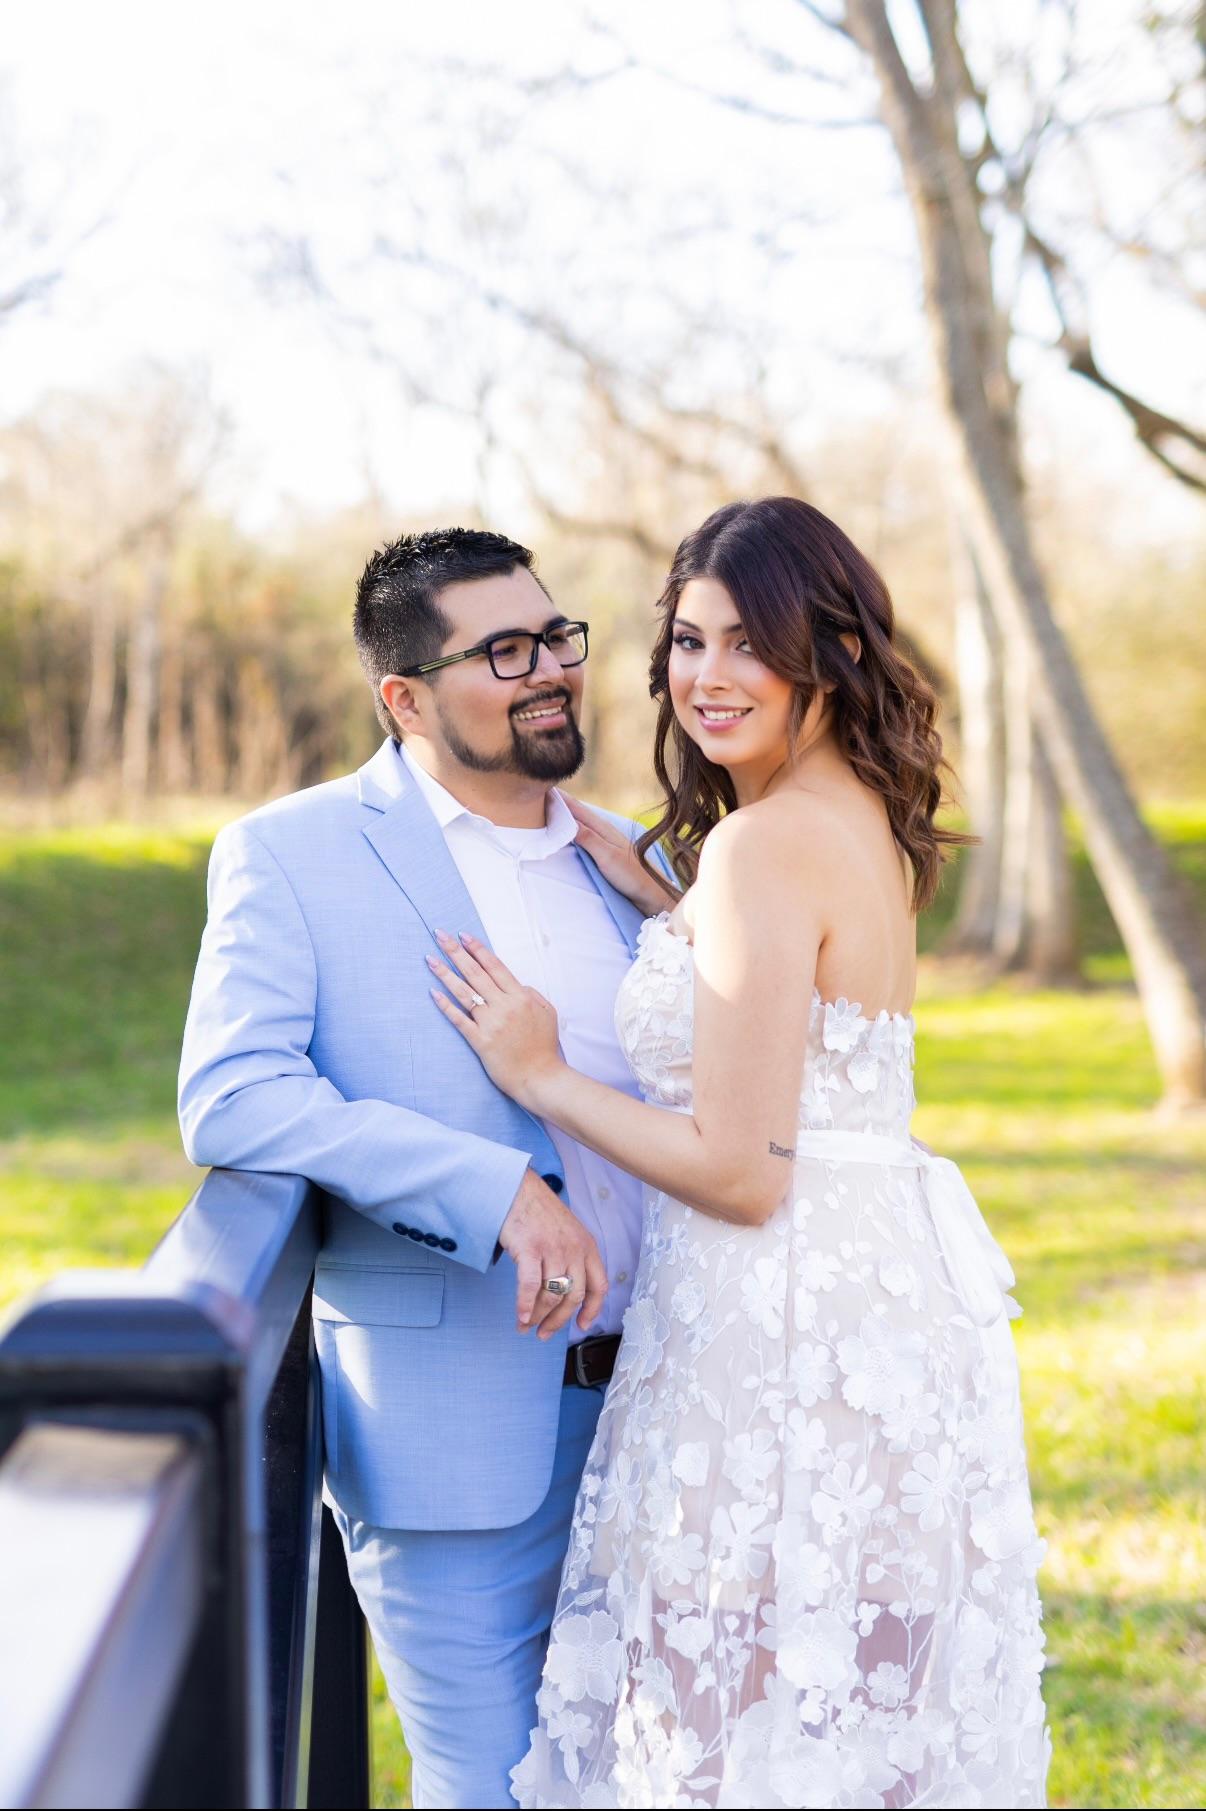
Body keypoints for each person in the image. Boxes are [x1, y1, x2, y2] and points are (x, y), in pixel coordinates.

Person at [428, 497, 1051, 1808]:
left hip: (781, 1317)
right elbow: (798, 1023)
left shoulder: (763, 844)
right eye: (688, 640)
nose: (708, 676)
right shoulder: (859, 814)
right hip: (875, 1295)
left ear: (830, 651)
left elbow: (742, 1167)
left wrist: (540, 1073)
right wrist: (680, 908)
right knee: (842, 1706)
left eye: (749, 644)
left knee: (731, 1717)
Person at [177, 527, 677, 1810]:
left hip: (679, 1418)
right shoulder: (290, 851)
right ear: (403, 697)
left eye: (555, 636)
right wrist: (490, 1188)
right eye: (503, 651)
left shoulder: (641, 858)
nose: (549, 669)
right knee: (495, 1788)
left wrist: (680, 912)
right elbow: (234, 1093)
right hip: (453, 1432)